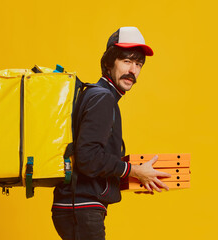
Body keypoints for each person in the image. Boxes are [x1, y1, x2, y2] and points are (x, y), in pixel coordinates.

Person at [51, 26, 171, 240]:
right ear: (108, 62)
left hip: (77, 208)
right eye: (126, 61)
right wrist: (133, 170)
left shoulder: (97, 95)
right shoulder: (103, 98)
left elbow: (90, 160)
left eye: (138, 64)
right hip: (81, 209)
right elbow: (88, 158)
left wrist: (136, 176)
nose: (132, 70)